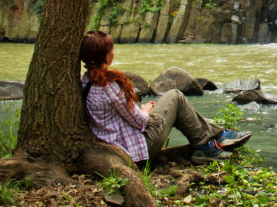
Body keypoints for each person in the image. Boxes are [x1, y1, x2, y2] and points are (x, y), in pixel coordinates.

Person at [79, 30, 250, 165]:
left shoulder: (85, 82)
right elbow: (140, 122)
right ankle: (208, 144)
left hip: (115, 146)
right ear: (106, 56)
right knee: (175, 96)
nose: (114, 52)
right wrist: (145, 110)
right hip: (137, 148)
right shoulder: (110, 87)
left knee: (173, 103)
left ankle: (215, 137)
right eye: (112, 49)